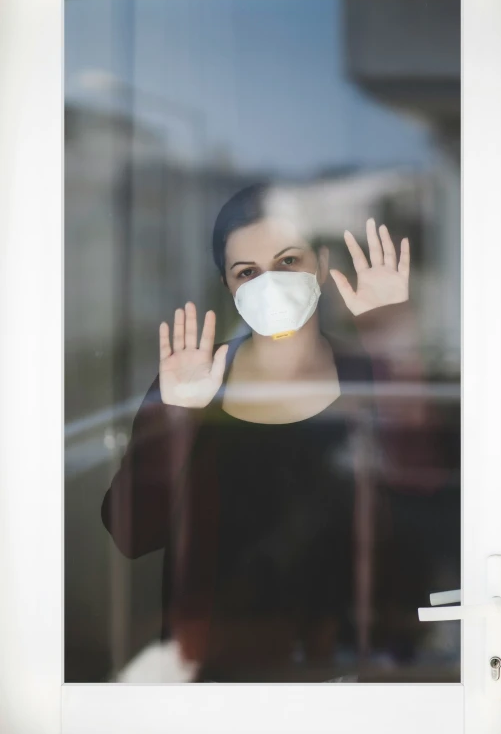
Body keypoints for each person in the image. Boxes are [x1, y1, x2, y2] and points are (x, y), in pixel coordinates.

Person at [101, 182, 449, 683]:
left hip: (358, 668)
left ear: (322, 263)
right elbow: (132, 536)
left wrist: (393, 347)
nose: (270, 283)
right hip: (221, 675)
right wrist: (173, 417)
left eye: (288, 261)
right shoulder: (194, 385)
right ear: (228, 284)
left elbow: (425, 492)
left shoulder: (371, 378)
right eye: (247, 272)